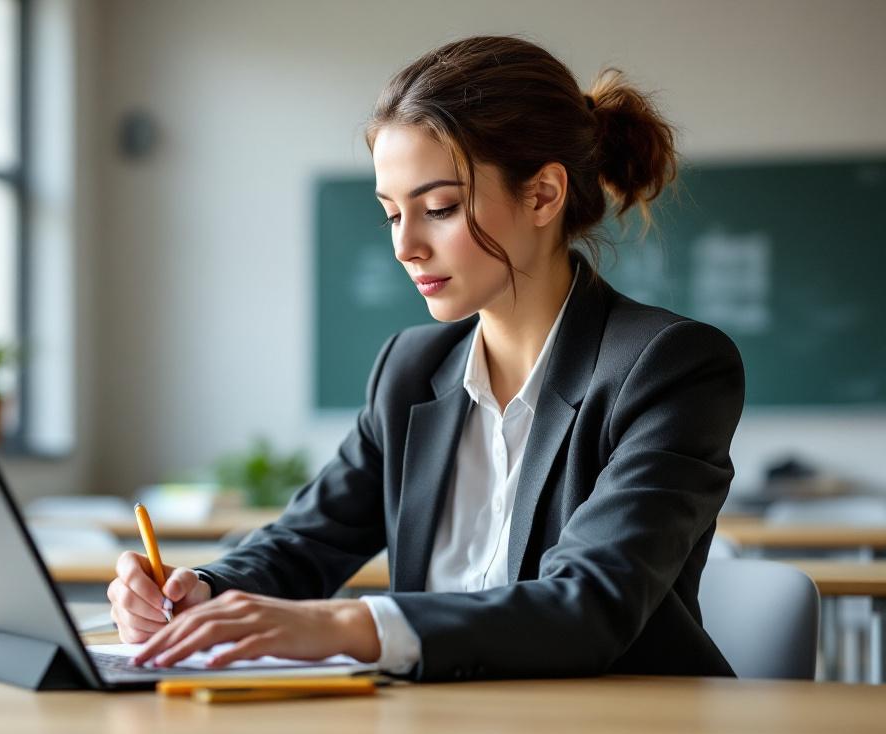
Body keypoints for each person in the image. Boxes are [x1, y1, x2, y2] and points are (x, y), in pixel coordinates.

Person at [107, 35, 744, 681]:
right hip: (435, 731)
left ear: (543, 196)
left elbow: (590, 604)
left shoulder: (669, 366)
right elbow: (308, 539)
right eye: (391, 214)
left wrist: (348, 624)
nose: (405, 246)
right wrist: (201, 593)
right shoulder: (410, 369)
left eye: (439, 208)